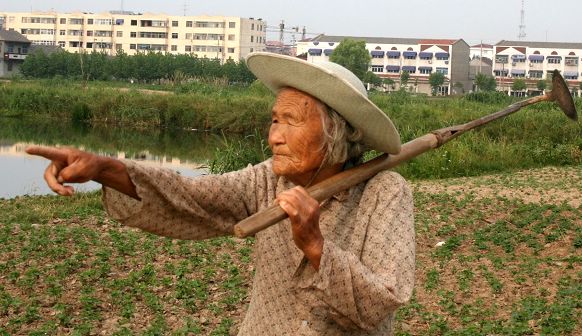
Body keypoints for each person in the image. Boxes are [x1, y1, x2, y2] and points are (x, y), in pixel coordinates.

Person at [27, 52, 415, 335]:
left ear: (335, 130)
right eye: (274, 119)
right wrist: (104, 168)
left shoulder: (384, 192)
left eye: (292, 121)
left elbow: (382, 301)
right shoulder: (266, 181)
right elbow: (189, 197)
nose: (274, 136)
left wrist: (316, 246)